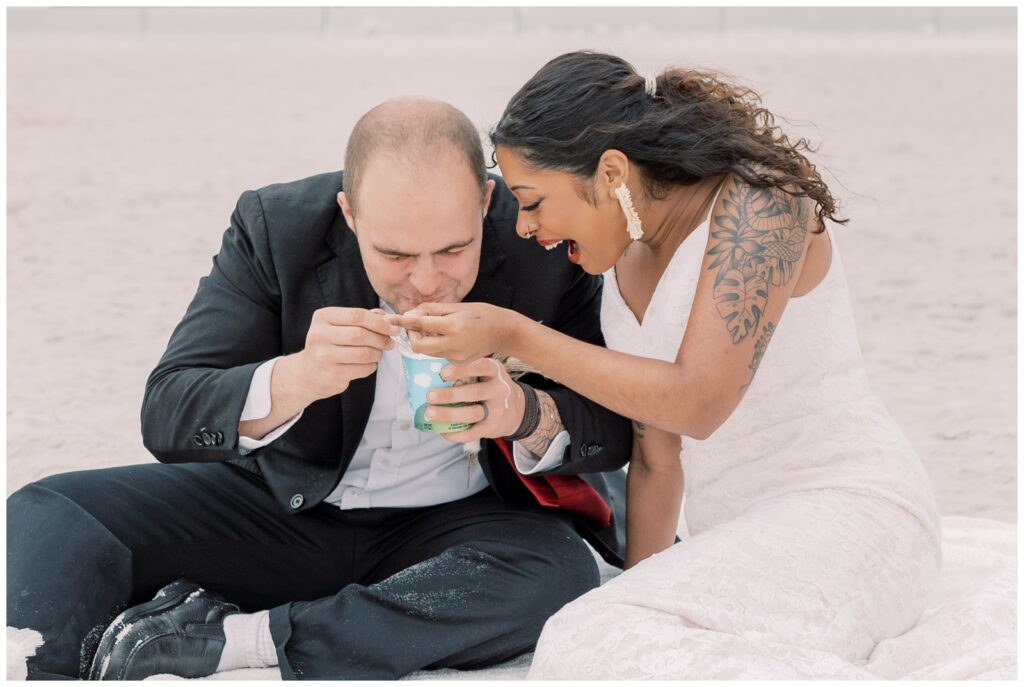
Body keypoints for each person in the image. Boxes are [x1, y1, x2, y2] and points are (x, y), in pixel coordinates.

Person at [6, 97, 632, 680]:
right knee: (51, 512)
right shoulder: (276, 228)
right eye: (393, 254)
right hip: (277, 512)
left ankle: (236, 640)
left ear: (484, 203)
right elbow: (169, 411)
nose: (426, 281)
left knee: (560, 573)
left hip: (455, 529)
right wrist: (295, 378)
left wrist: (523, 412)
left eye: (453, 249)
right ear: (349, 214)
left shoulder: (543, 246)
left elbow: (612, 427)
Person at [390, 52, 943, 679]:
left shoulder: (764, 208)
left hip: (851, 511)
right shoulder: (624, 258)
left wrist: (516, 334)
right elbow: (657, 454)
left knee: (595, 642)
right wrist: (635, 587)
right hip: (737, 535)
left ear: (612, 172)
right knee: (601, 630)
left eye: (534, 200)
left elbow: (699, 404)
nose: (523, 227)